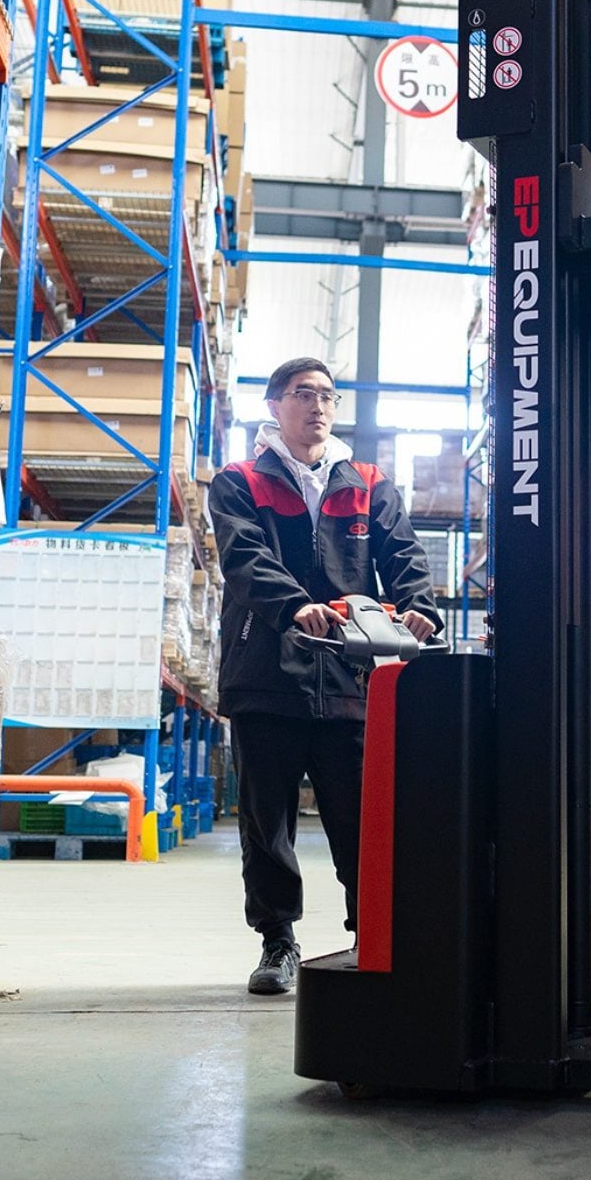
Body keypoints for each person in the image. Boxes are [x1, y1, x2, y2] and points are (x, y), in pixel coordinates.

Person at [208, 357, 443, 995]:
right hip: (266, 672)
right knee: (267, 821)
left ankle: (372, 931)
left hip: (349, 676)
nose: (318, 406)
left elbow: (402, 552)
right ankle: (277, 942)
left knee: (362, 816)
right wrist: (293, 608)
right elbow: (244, 556)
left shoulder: (366, 481)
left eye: (328, 396)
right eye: (304, 394)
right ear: (275, 404)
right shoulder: (238, 480)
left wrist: (419, 606)